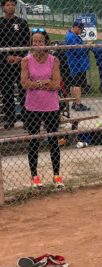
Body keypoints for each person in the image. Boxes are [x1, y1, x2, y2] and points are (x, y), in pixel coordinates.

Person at [20, 29, 63, 189]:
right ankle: (35, 176)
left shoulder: (54, 60)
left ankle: (57, 176)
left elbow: (56, 84)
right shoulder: (26, 60)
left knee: (53, 141)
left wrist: (37, 83)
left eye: (40, 42)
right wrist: (43, 83)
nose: (37, 44)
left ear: (46, 43)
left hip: (51, 106)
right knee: (33, 141)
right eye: (34, 42)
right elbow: (24, 83)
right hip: (32, 106)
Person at [0, 0, 30, 129]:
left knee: (23, 89)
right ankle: (9, 118)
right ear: (3, 7)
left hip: (20, 63)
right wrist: (6, 56)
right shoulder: (0, 23)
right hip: (4, 63)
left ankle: (26, 118)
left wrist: (20, 57)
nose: (10, 7)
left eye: (12, 4)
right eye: (7, 5)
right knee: (7, 91)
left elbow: (26, 41)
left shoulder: (22, 23)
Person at [64, 20, 90, 111]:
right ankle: (78, 104)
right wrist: (87, 46)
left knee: (75, 83)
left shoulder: (73, 35)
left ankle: (75, 102)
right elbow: (78, 50)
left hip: (78, 63)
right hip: (77, 63)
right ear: (76, 27)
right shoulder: (71, 37)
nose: (81, 31)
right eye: (80, 29)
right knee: (77, 84)